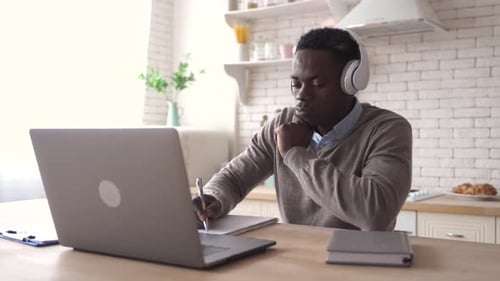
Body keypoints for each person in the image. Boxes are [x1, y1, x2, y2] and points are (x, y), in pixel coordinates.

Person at [193, 27, 412, 231]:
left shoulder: (387, 129)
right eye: (296, 84)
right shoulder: (281, 125)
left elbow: (376, 213)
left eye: (317, 84)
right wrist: (213, 199)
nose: (301, 95)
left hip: (361, 264)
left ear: (351, 83)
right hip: (297, 258)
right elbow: (234, 177)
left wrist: (295, 154)